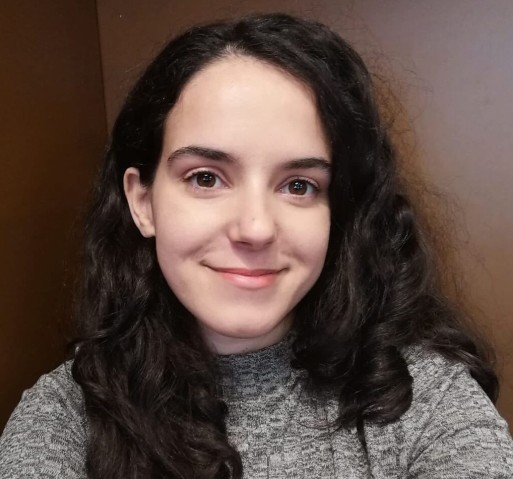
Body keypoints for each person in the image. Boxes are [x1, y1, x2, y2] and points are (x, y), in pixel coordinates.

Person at [1, 12, 512, 479]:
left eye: (299, 185)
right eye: (205, 177)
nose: (255, 228)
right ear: (143, 202)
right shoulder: (66, 416)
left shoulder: (426, 399)